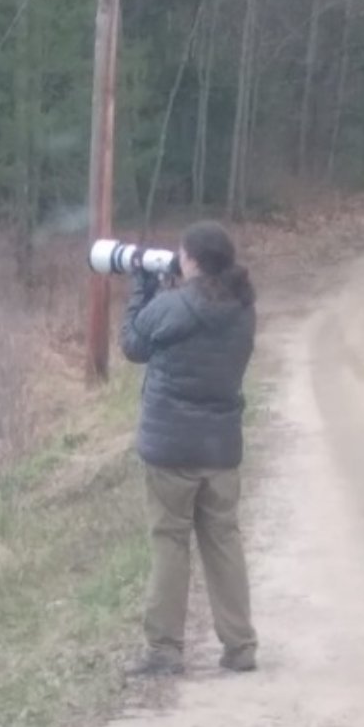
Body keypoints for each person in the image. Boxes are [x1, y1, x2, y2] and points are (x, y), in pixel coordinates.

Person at [120, 220, 258, 676]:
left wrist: (142, 290)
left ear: (193, 260)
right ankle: (240, 645)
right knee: (224, 543)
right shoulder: (242, 307)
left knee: (170, 543)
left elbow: (134, 345)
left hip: (171, 447)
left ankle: (164, 649)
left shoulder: (172, 305)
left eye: (182, 254)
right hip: (221, 447)